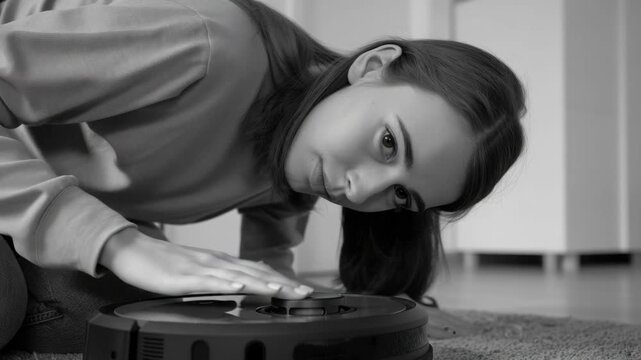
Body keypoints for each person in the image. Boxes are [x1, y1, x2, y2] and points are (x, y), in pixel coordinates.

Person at [0, 0, 526, 353]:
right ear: (373, 67)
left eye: (400, 196)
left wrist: (287, 299)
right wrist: (121, 245)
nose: (361, 191)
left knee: (131, 315)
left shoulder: (297, 169)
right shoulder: (210, 42)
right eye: (388, 142)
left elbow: (265, 267)